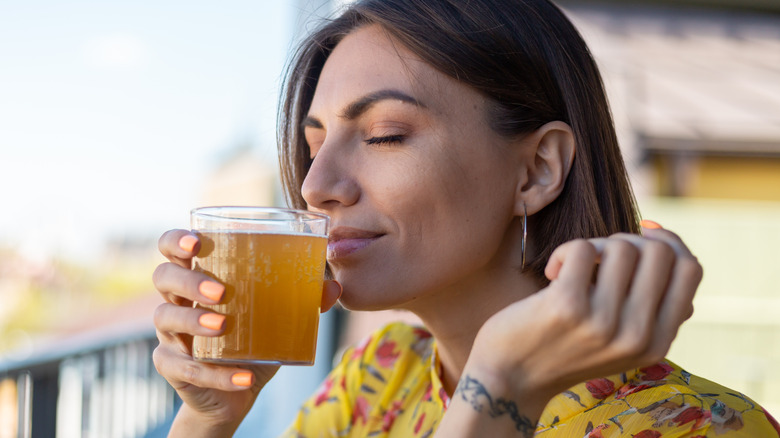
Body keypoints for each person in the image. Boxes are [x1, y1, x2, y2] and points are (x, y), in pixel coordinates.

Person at [151, 0, 780, 436]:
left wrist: (503, 387)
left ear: (537, 170)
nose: (316, 187)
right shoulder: (381, 378)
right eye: (314, 146)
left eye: (386, 135)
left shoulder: (696, 430)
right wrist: (208, 417)